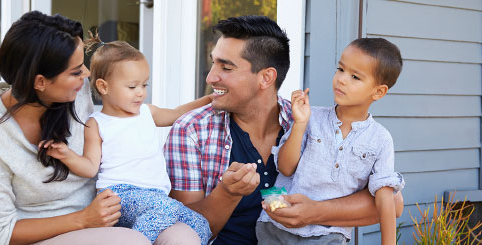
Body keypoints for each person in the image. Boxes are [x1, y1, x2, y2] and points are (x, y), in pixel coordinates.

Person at [0, 11, 198, 245]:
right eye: (76, 71)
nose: (86, 74)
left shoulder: (75, 92)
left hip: (106, 218)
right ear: (40, 82)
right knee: (130, 241)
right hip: (49, 233)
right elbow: (0, 232)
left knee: (183, 236)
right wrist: (83, 219)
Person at [164, 15, 405, 245]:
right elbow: (180, 230)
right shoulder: (191, 130)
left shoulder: (308, 122)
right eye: (213, 62)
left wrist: (316, 212)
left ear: (266, 77)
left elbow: (393, 204)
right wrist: (227, 193)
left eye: (226, 68)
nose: (210, 77)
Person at [39, 39, 213, 244]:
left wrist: (209, 101)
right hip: (120, 195)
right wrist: (66, 155)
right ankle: (138, 240)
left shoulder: (147, 113)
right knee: (166, 209)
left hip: (155, 198)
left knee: (201, 225)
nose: (140, 92)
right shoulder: (97, 123)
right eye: (132, 86)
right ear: (103, 87)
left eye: (144, 85)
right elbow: (89, 167)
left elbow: (176, 114)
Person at [256, 38, 405, 245]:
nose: (341, 79)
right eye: (340, 69)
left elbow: (385, 198)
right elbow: (285, 168)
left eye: (355, 76)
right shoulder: (312, 118)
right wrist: (299, 124)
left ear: (378, 91)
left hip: (328, 235)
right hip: (277, 225)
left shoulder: (380, 139)